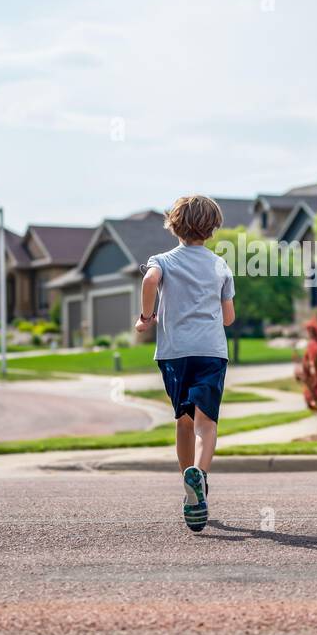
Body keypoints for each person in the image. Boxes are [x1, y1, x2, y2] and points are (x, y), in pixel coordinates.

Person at [136, 195, 236, 532]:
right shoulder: (220, 265)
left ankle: (187, 484)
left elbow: (149, 281)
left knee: (183, 420)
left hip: (174, 353)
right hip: (210, 352)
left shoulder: (162, 260)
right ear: (211, 230)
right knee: (205, 424)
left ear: (173, 225)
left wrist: (146, 318)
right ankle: (201, 478)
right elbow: (229, 317)